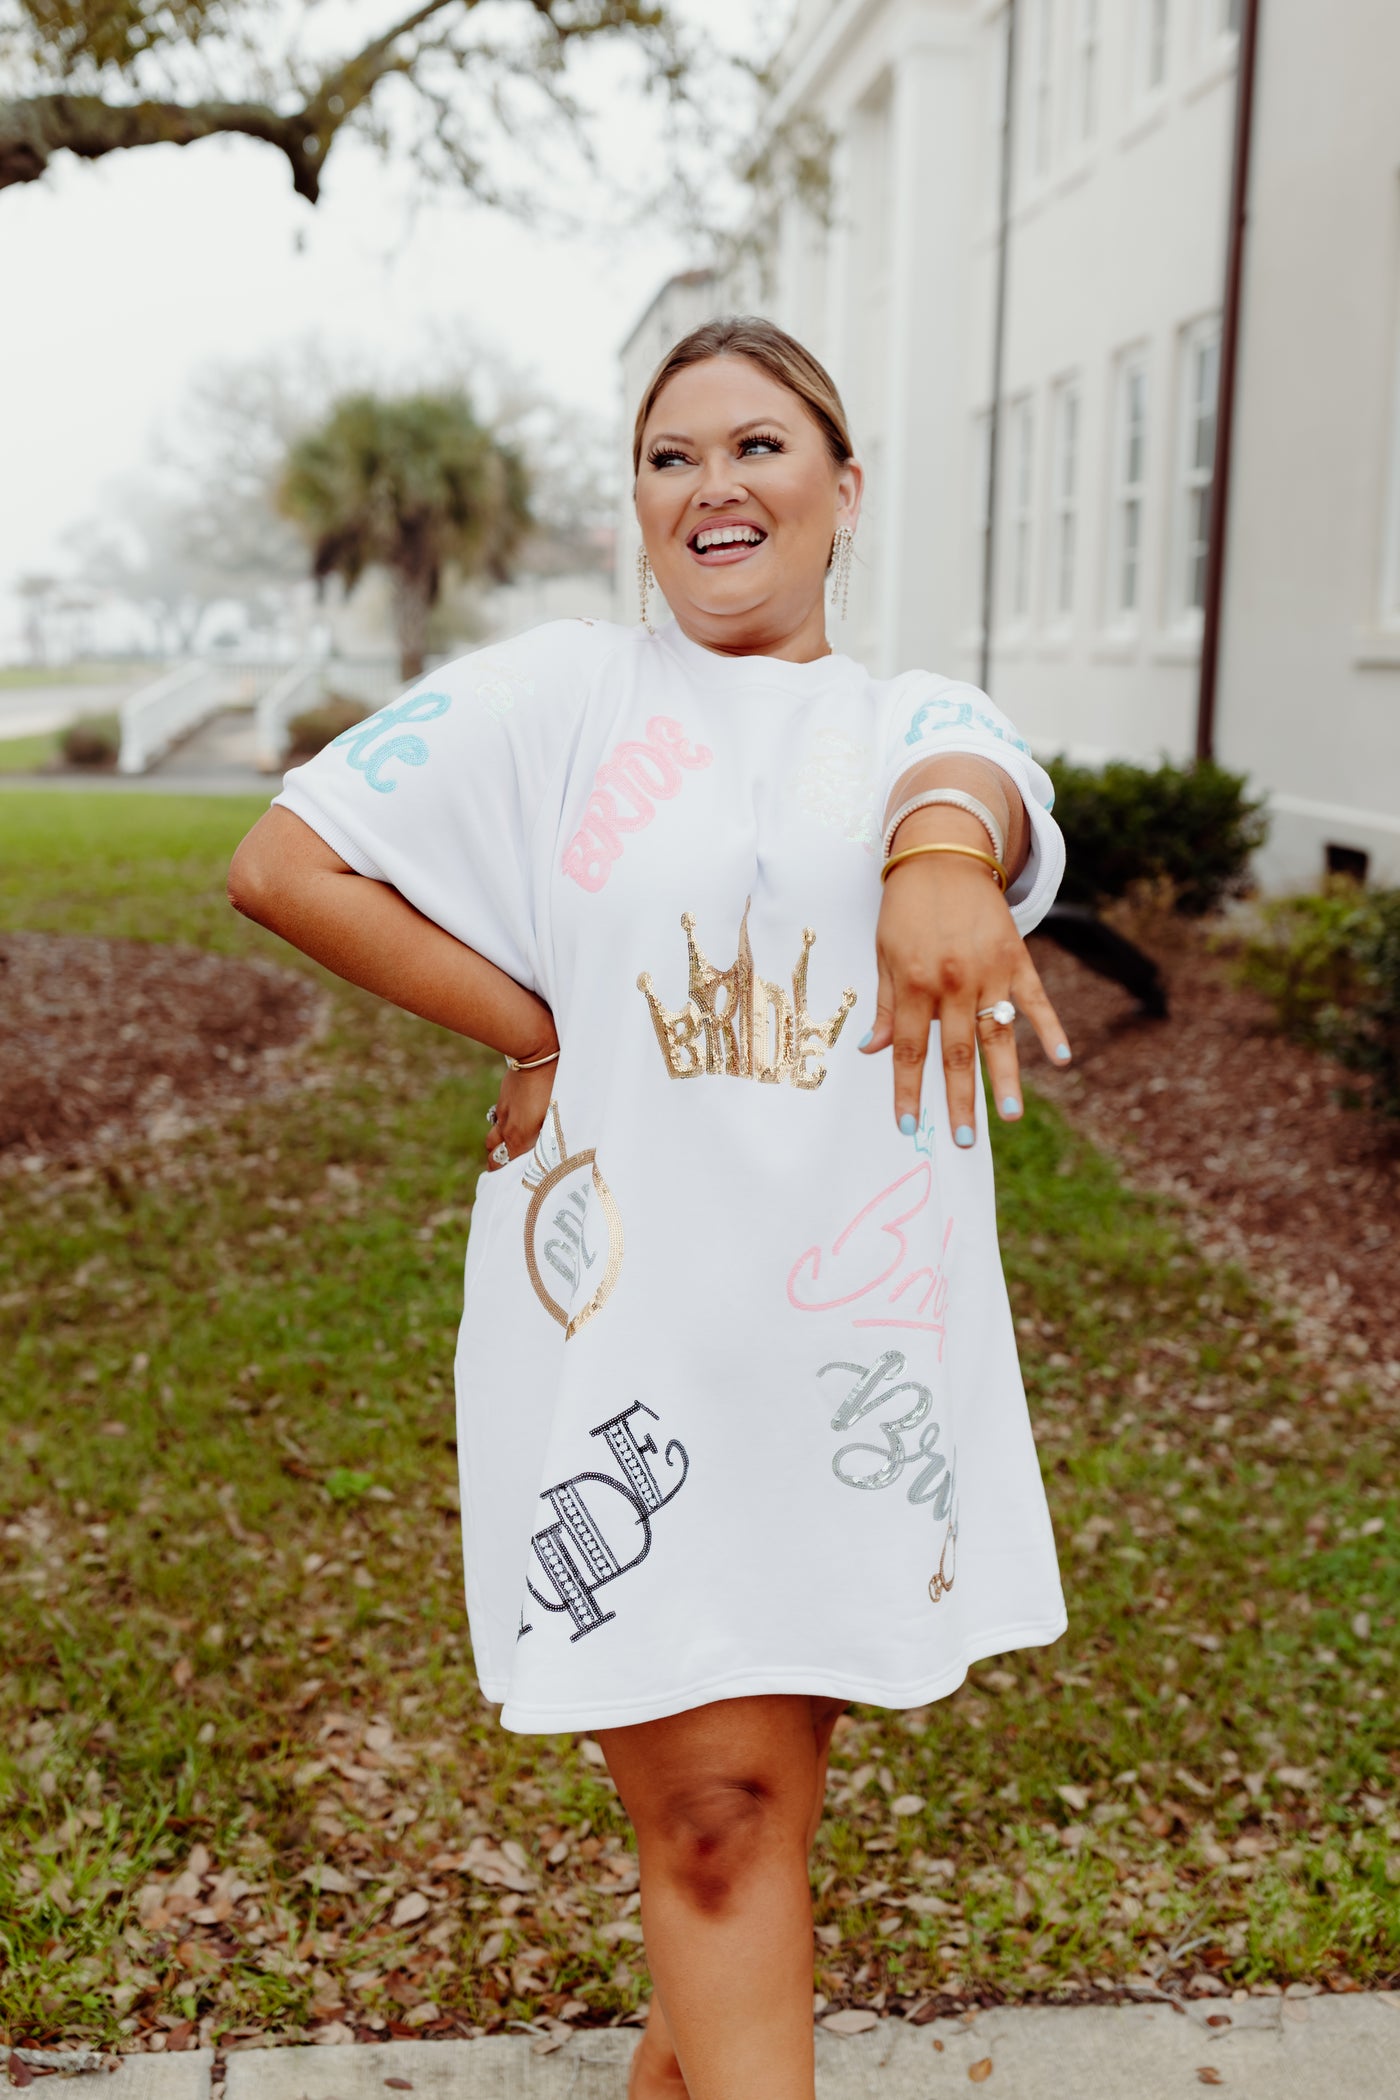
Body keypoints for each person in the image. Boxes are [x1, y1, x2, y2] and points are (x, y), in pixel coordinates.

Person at [228, 316, 1072, 2100]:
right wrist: (541, 1023)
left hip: (852, 1388)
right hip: (627, 1373)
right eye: (671, 455)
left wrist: (935, 863)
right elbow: (284, 862)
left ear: (845, 490)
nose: (712, 486)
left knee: (742, 1830)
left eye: (759, 447)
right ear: (638, 501)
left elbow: (971, 796)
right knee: (712, 1823)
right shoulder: (559, 696)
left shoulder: (916, 719)